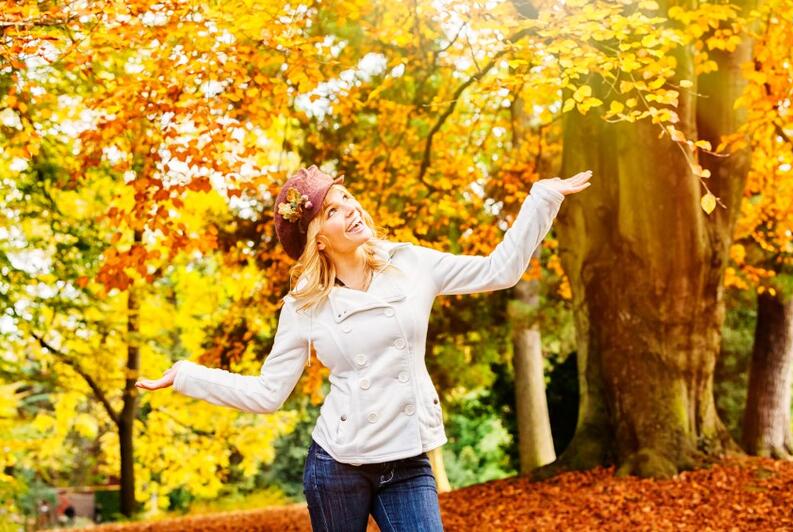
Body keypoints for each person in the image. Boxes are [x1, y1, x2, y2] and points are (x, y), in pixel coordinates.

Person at [136, 165, 592, 531]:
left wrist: (541, 199)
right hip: (337, 467)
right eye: (333, 210)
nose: (351, 210)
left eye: (347, 198)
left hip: (408, 460)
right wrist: (187, 375)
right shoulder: (304, 306)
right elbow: (268, 394)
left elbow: (501, 270)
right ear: (318, 238)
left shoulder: (412, 265)